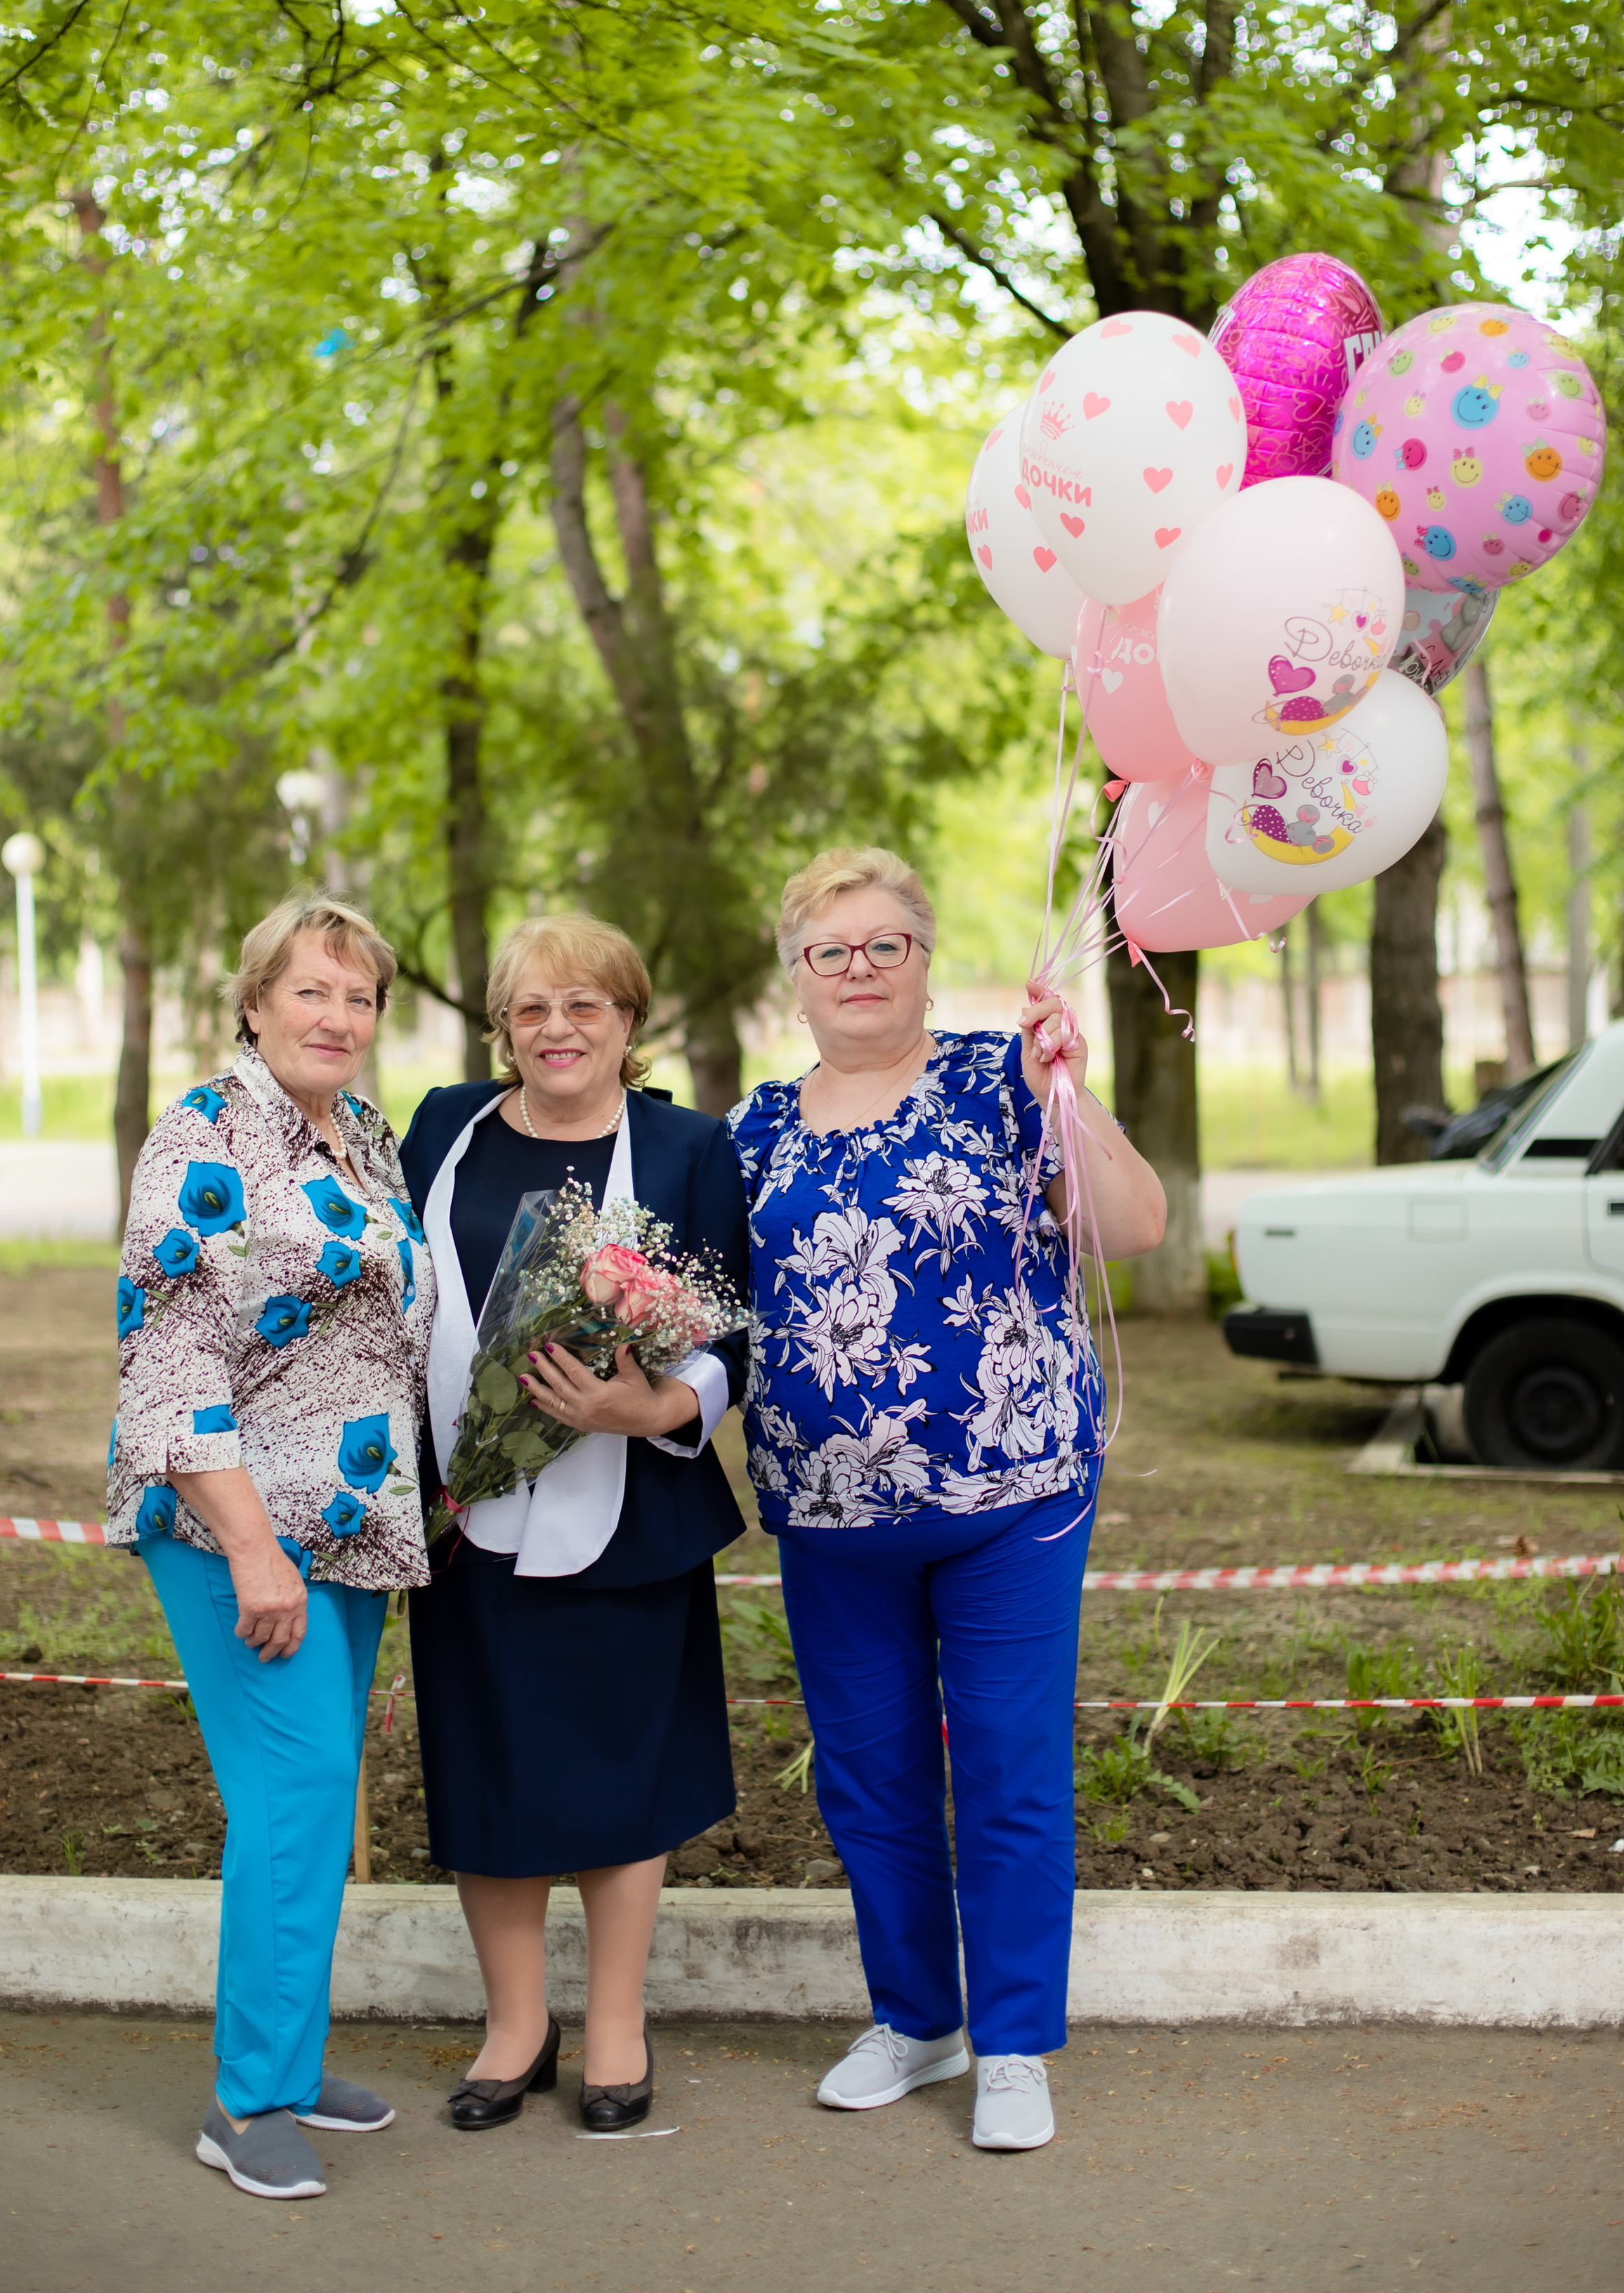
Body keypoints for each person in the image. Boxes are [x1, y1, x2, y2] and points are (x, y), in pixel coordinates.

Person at [727, 846, 1165, 2152]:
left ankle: (1016, 2042)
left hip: (1015, 1499)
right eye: (832, 950)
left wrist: (1067, 1092)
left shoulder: (999, 1077)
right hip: (829, 1518)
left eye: (885, 946)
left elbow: (1134, 1224)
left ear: (924, 960)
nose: (859, 971)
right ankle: (917, 2021)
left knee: (1011, 1772)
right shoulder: (751, 1130)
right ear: (795, 975)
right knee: (870, 1779)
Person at [400, 913, 749, 2137]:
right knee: (486, 1766)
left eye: (584, 1005)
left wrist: (648, 1401)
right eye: (531, 1009)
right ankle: (513, 2026)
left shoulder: (692, 1149)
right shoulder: (443, 1127)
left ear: (628, 1022)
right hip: (463, 1515)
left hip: (628, 1515)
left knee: (620, 1772)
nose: (557, 1029)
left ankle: (614, 2025)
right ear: (503, 1029)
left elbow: (729, 1332)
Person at [108, 894, 433, 2201]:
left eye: (358, 998)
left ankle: (288, 2066)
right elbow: (169, 1357)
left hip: (349, 1526)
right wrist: (251, 1548)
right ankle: (246, 2105)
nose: (337, 1018)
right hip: (238, 1524)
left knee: (308, 1807)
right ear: (253, 1002)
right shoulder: (205, 1132)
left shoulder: (359, 1135)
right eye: (311, 992)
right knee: (292, 1806)